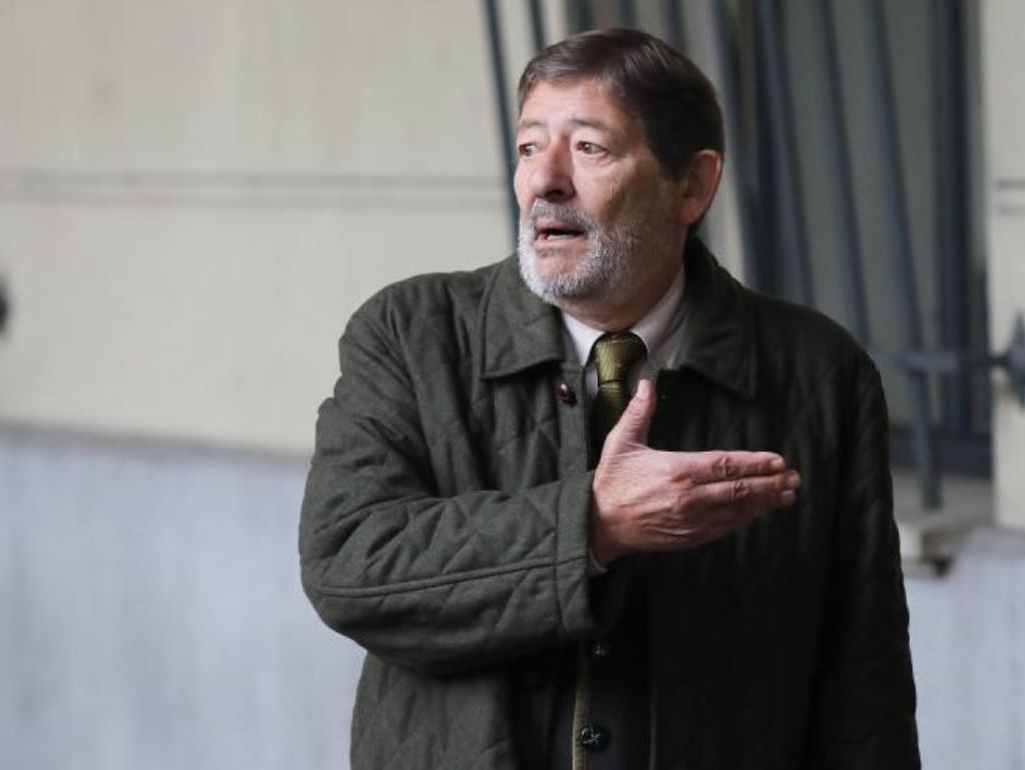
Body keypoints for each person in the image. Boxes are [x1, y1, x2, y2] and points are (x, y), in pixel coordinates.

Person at [299, 28, 919, 770]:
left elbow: (865, 677)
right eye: (529, 147)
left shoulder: (817, 371)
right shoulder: (411, 335)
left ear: (692, 186)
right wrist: (594, 525)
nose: (545, 181)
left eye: (590, 148)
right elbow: (349, 564)